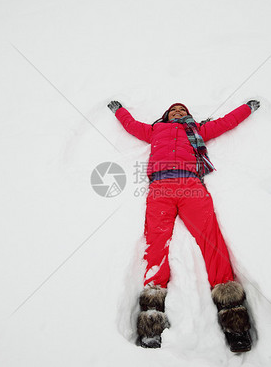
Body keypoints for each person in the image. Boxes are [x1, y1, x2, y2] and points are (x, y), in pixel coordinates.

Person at [107, 99, 260, 352]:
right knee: (156, 246)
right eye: (173, 110)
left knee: (212, 241)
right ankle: (151, 324)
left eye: (182, 110)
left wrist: (247, 108)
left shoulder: (198, 130)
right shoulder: (155, 130)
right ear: (166, 116)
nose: (178, 112)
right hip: (160, 189)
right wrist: (119, 111)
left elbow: (225, 123)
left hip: (192, 188)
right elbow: (132, 126)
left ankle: (235, 322)